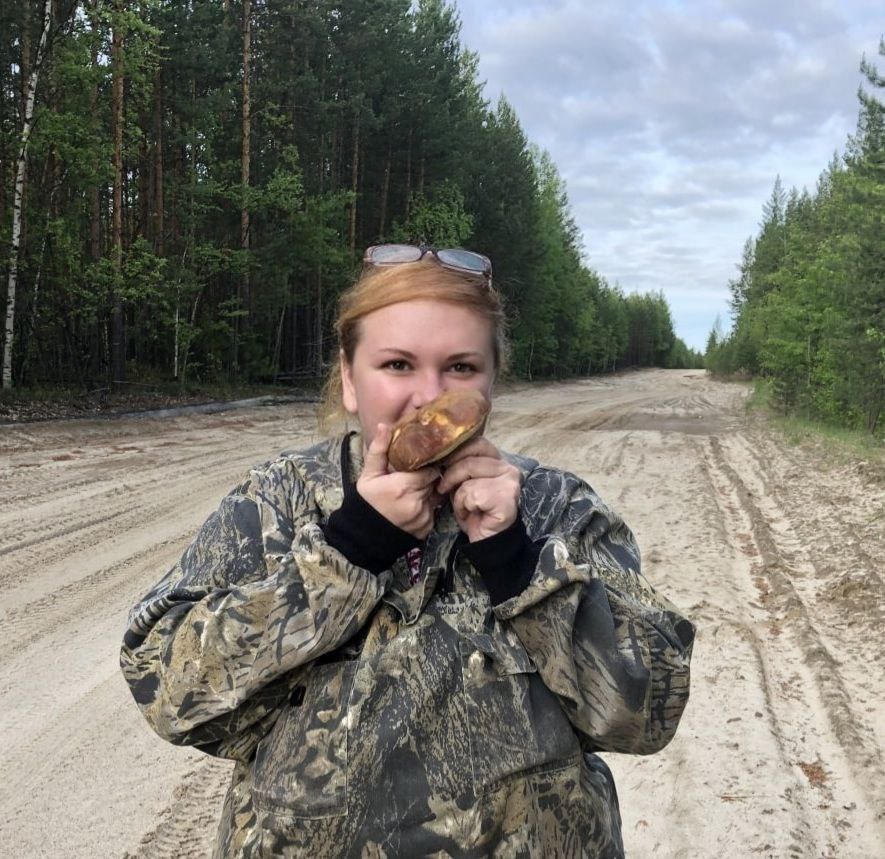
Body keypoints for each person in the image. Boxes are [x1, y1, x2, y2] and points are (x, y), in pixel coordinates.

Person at [121, 244, 695, 858]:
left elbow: (646, 714)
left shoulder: (557, 508)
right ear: (349, 379)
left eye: (461, 367)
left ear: (493, 380)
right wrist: (347, 555)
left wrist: (518, 565)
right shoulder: (277, 504)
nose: (429, 396)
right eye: (397, 364)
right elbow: (167, 690)